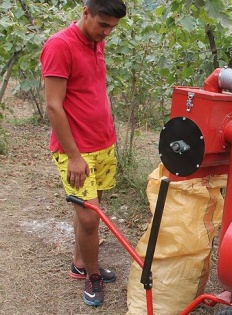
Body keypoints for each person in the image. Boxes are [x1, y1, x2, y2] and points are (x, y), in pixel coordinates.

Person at [40, 0, 126, 306]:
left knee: (93, 211)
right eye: (103, 25)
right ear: (85, 12)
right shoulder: (59, 46)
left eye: (112, 28)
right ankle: (92, 276)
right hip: (77, 151)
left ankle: (80, 263)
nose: (107, 33)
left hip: (103, 144)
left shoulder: (96, 41)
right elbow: (53, 105)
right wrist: (74, 156)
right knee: (90, 220)